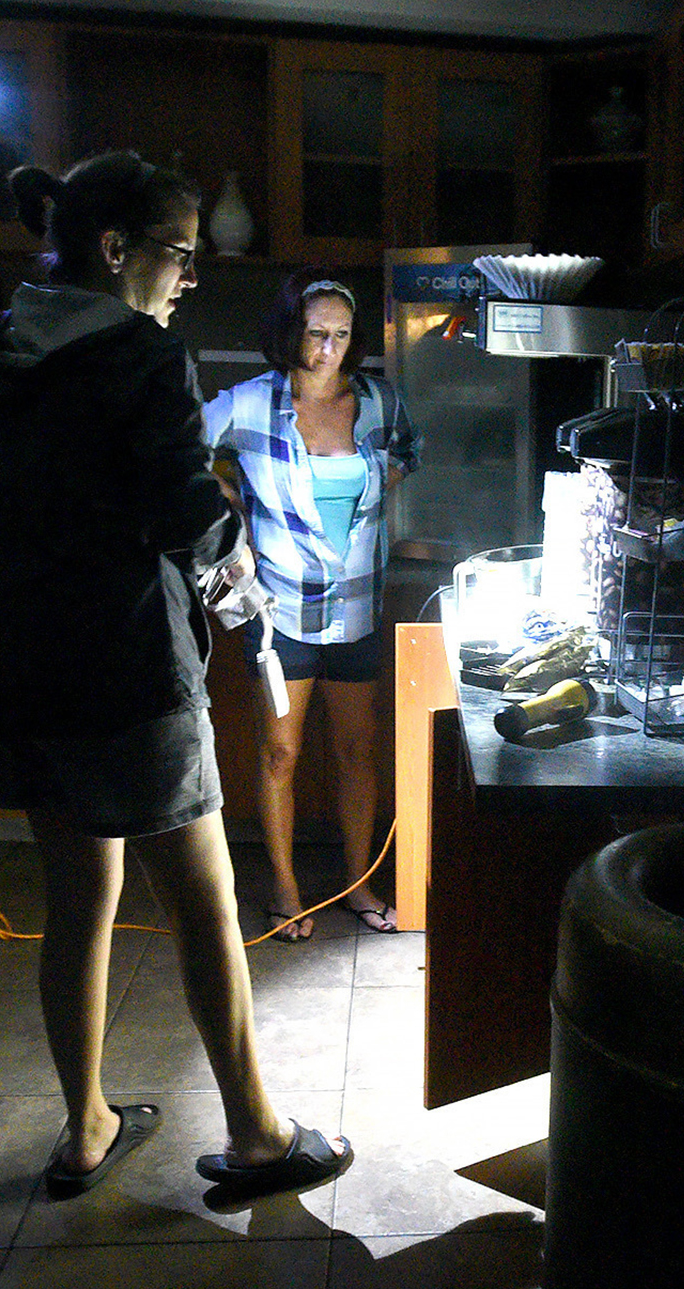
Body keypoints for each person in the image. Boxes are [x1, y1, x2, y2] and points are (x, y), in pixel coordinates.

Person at [0, 151, 352, 1198]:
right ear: (114, 249)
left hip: (15, 671)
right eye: (178, 252)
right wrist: (235, 582)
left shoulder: (1, 344)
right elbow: (185, 512)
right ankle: (259, 1134)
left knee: (78, 892)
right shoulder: (140, 354)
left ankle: (85, 1128)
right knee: (205, 899)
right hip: (123, 673)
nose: (189, 276)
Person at [201, 269, 419, 941]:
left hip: (357, 608)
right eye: (316, 332)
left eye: (341, 335)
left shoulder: (380, 403)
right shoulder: (248, 404)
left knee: (358, 750)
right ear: (291, 332)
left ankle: (358, 885)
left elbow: (407, 455)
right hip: (279, 613)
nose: (328, 347)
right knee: (279, 754)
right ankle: (285, 890)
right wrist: (231, 503)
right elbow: (180, 453)